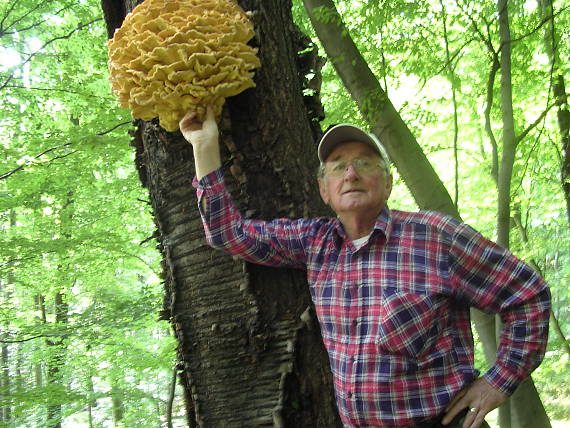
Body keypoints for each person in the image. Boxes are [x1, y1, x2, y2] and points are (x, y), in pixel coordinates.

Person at [179, 107, 551, 428]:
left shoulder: (435, 236)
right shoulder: (316, 243)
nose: (351, 174)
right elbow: (229, 234)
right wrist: (204, 146)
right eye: (338, 167)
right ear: (324, 191)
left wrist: (499, 381)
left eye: (365, 163)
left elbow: (528, 295)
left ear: (387, 183)